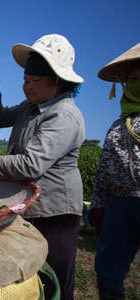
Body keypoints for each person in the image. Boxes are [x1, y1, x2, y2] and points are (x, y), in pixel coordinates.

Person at [0, 34, 85, 300]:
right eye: (25, 80)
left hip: (55, 212)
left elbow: (31, 165)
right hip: (28, 205)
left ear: (57, 81)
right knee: (29, 276)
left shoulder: (63, 115)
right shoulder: (30, 107)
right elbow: (0, 119)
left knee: (54, 276)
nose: (27, 86)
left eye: (35, 81)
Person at [88, 43, 140, 300]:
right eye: (132, 79)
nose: (135, 83)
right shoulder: (118, 126)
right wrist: (98, 204)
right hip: (119, 203)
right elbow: (102, 170)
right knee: (108, 268)